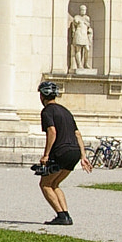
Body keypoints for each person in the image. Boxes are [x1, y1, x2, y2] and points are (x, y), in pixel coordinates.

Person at [35, 81, 90, 226]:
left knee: (45, 184)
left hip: (61, 151)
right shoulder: (66, 111)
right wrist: (83, 156)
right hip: (74, 152)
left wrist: (46, 155)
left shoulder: (47, 111)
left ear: (42, 96)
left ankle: (61, 215)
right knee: (55, 183)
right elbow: (77, 134)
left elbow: (52, 131)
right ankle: (65, 214)